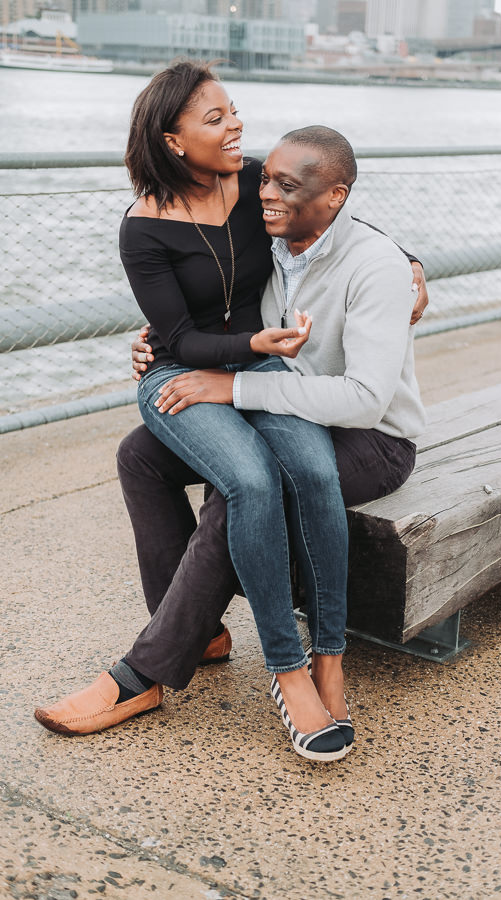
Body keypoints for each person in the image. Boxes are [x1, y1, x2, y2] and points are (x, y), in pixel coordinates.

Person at [34, 61, 427, 761]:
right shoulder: (212, 212)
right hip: (238, 373)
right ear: (174, 140)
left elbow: (334, 209)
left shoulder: (264, 196)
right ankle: (199, 631)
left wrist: (409, 263)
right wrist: (186, 352)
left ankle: (155, 667)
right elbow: (190, 322)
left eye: (232, 111)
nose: (239, 134)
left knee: (243, 488)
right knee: (140, 458)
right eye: (215, 119)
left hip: (343, 419)